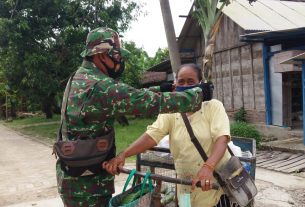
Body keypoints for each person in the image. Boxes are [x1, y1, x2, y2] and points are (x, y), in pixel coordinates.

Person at [56, 27, 206, 207]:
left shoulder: (80, 77)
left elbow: (126, 97)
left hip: (75, 177)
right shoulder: (100, 86)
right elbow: (145, 102)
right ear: (102, 55)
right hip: (88, 188)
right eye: (117, 56)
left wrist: (162, 88)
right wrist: (197, 95)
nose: (120, 61)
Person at [103, 63, 231, 207]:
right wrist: (123, 154)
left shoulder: (213, 106)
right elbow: (152, 135)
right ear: (175, 85)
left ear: (200, 84)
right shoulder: (172, 110)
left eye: (191, 82)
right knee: (185, 204)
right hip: (185, 184)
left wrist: (208, 167)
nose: (186, 86)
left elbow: (222, 138)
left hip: (212, 181)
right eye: (181, 82)